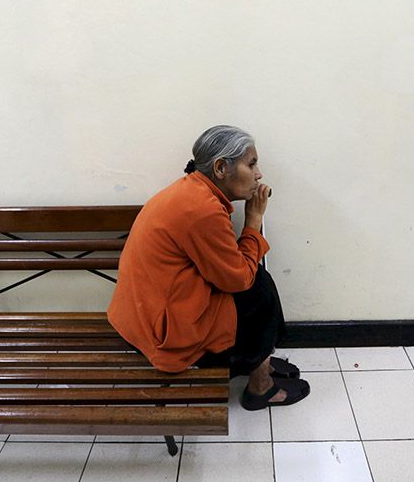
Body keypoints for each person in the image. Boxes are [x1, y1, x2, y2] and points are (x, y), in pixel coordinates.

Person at [106, 125, 310, 410]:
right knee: (256, 289)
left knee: (257, 281)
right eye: (251, 164)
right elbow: (237, 280)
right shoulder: (201, 209)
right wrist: (253, 221)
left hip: (144, 315)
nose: (259, 173)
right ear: (220, 167)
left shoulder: (193, 191)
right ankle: (260, 387)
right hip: (160, 331)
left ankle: (260, 363)